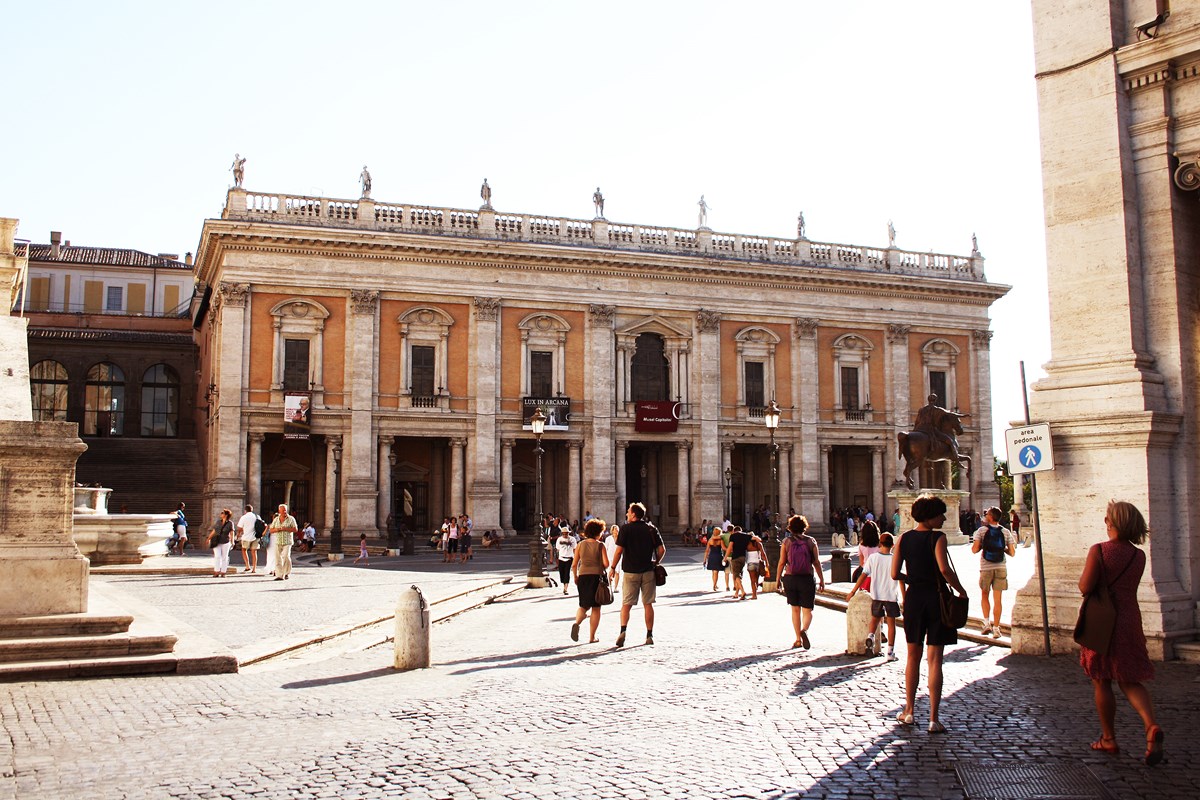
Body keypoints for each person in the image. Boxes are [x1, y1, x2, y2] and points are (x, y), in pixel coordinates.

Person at [1078, 500, 1163, 765]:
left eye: (1107, 518)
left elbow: (1085, 586)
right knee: (1129, 678)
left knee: (1101, 678)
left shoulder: (1099, 551)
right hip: (1129, 618)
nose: (1105, 521)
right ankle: (1150, 726)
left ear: (1112, 523)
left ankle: (1108, 738)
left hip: (1102, 621)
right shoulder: (1139, 555)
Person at [891, 493, 967, 733]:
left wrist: (912, 578)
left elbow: (894, 574)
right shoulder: (938, 538)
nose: (944, 518)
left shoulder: (902, 539)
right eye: (940, 514)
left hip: (914, 598)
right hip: (936, 598)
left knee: (913, 656)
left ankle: (910, 711)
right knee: (935, 659)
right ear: (930, 516)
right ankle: (934, 718)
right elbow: (944, 569)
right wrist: (961, 591)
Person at [609, 502, 665, 648]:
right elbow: (662, 549)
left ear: (633, 514)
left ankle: (623, 631)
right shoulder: (651, 529)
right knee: (648, 604)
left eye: (628, 511)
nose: (627, 513)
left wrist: (613, 567)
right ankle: (649, 635)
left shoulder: (625, 529)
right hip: (648, 571)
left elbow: (619, 551)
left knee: (626, 604)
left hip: (630, 572)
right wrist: (655, 562)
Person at [848, 532, 902, 661]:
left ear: (879, 544)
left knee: (875, 619)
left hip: (876, 594)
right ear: (892, 545)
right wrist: (904, 597)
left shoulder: (873, 558)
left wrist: (853, 591)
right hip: (891, 595)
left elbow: (863, 575)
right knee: (891, 624)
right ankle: (890, 652)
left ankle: (871, 637)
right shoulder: (895, 559)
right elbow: (900, 579)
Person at [776, 515, 824, 649]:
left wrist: (778, 579)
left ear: (790, 528)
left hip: (790, 578)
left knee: (795, 610)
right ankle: (805, 630)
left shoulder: (786, 542)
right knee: (807, 610)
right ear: (804, 527)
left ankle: (798, 639)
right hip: (807, 578)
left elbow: (781, 562)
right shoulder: (811, 541)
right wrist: (821, 579)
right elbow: (816, 562)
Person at [971, 506, 1017, 638]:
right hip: (1001, 567)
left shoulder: (981, 530)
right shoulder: (1006, 532)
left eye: (987, 514)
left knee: (985, 595)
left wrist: (981, 547)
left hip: (986, 567)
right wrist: (1002, 550)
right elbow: (1012, 553)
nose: (985, 516)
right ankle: (997, 628)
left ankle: (986, 623)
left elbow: (974, 550)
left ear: (990, 517)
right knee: (998, 599)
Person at [570, 519, 611, 644]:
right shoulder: (600, 545)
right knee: (596, 607)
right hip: (596, 577)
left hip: (583, 577)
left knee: (584, 605)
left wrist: (576, 577)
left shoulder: (580, 545)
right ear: (598, 532)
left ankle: (577, 622)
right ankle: (592, 637)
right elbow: (606, 563)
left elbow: (574, 564)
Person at [269, 504, 298, 581]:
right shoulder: (276, 519)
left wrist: (286, 528)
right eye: (282, 510)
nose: (284, 512)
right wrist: (277, 530)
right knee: (277, 558)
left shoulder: (291, 519)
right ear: (279, 511)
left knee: (286, 556)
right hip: (278, 541)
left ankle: (286, 572)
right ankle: (279, 575)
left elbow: (295, 529)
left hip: (287, 541)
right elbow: (271, 530)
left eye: (285, 510)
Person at [725, 525, 753, 600]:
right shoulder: (746, 536)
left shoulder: (733, 536)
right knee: (739, 575)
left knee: (736, 575)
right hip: (743, 557)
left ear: (734, 531)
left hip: (735, 557)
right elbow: (756, 538)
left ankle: (743, 591)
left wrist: (725, 557)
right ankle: (736, 593)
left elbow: (730, 547)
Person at [210, 508, 234, 578]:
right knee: (217, 556)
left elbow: (232, 532)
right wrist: (209, 538)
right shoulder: (218, 522)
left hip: (226, 541)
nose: (221, 514)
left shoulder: (230, 523)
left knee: (224, 557)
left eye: (222, 513)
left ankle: (223, 572)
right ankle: (216, 571)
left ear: (226, 515)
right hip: (217, 541)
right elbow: (214, 530)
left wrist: (232, 541)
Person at [744, 535, 770, 599]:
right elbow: (763, 554)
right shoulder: (759, 544)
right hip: (758, 562)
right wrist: (767, 563)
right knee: (756, 579)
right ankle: (755, 592)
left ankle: (754, 595)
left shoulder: (747, 544)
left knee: (752, 580)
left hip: (750, 563)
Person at [236, 504, 260, 573]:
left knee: (244, 550)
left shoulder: (244, 517)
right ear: (252, 510)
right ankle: (254, 568)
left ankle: (247, 566)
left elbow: (240, 528)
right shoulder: (256, 516)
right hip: (255, 536)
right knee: (254, 552)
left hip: (246, 536)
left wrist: (238, 535)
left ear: (245, 510)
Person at [704, 525, 726, 591]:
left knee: (713, 571)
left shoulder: (710, 540)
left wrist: (704, 559)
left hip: (712, 556)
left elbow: (707, 550)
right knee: (716, 571)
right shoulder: (721, 540)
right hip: (718, 555)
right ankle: (714, 585)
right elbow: (724, 548)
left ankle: (714, 584)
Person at [555, 527, 576, 594]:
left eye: (566, 534)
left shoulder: (572, 539)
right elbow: (557, 549)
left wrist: (576, 558)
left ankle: (565, 588)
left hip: (569, 558)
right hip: (561, 558)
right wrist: (557, 558)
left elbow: (574, 549)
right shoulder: (559, 539)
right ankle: (564, 584)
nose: (565, 535)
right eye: (563, 534)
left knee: (567, 573)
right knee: (562, 573)